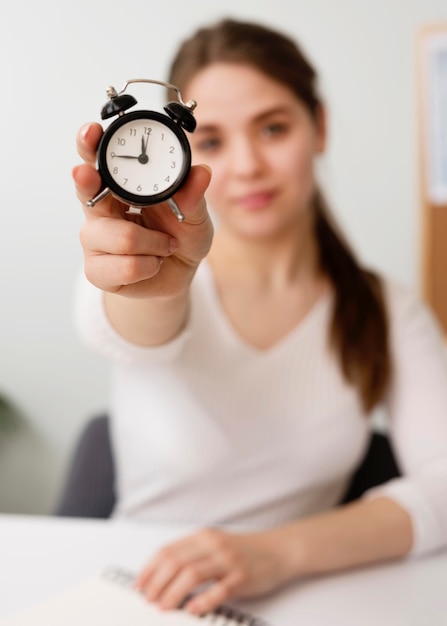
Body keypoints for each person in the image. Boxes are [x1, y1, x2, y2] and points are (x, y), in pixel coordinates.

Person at [72, 18, 447, 617]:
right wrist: (152, 284)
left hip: (292, 601)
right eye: (214, 140)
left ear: (318, 127)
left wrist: (276, 553)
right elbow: (129, 326)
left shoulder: (387, 311)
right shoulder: (145, 264)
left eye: (272, 127)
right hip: (134, 597)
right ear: (179, 153)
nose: (247, 166)